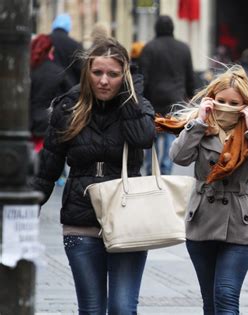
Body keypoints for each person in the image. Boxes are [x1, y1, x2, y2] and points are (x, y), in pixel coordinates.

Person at [30, 37, 155, 314]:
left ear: (124, 76)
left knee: (122, 308)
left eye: (113, 74)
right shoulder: (68, 107)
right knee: (91, 309)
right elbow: (48, 165)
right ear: (87, 72)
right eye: (97, 72)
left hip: (127, 222)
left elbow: (144, 138)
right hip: (81, 220)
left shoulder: (138, 105)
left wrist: (129, 95)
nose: (104, 81)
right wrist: (28, 209)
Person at [158, 65, 248, 314]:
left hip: (239, 224)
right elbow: (179, 157)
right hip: (202, 221)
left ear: (245, 105)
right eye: (220, 100)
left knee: (226, 295)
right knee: (210, 302)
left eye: (233, 102)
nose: (225, 106)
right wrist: (199, 123)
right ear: (210, 100)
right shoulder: (200, 127)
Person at [139, 15, 195, 175]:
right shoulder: (184, 48)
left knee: (153, 133)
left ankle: (151, 167)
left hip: (153, 97)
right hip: (175, 98)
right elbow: (189, 75)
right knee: (171, 132)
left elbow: (144, 75)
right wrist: (190, 96)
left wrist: (142, 97)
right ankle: (166, 167)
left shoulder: (149, 48)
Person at [29, 34, 73, 153]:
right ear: (51, 50)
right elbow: (71, 94)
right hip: (50, 123)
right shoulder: (58, 72)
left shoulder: (29, 70)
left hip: (28, 124)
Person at [50, 13, 83, 85]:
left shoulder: (44, 42)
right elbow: (79, 69)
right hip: (68, 87)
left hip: (47, 85)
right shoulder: (74, 45)